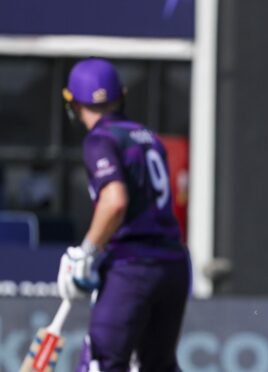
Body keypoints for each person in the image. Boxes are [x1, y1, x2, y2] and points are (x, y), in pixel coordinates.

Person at [56, 57, 191, 371]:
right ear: (122, 95)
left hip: (132, 267)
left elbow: (114, 201)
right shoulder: (148, 137)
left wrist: (85, 252)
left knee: (103, 363)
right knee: (157, 365)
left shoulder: (100, 139)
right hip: (173, 265)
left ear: (73, 104)